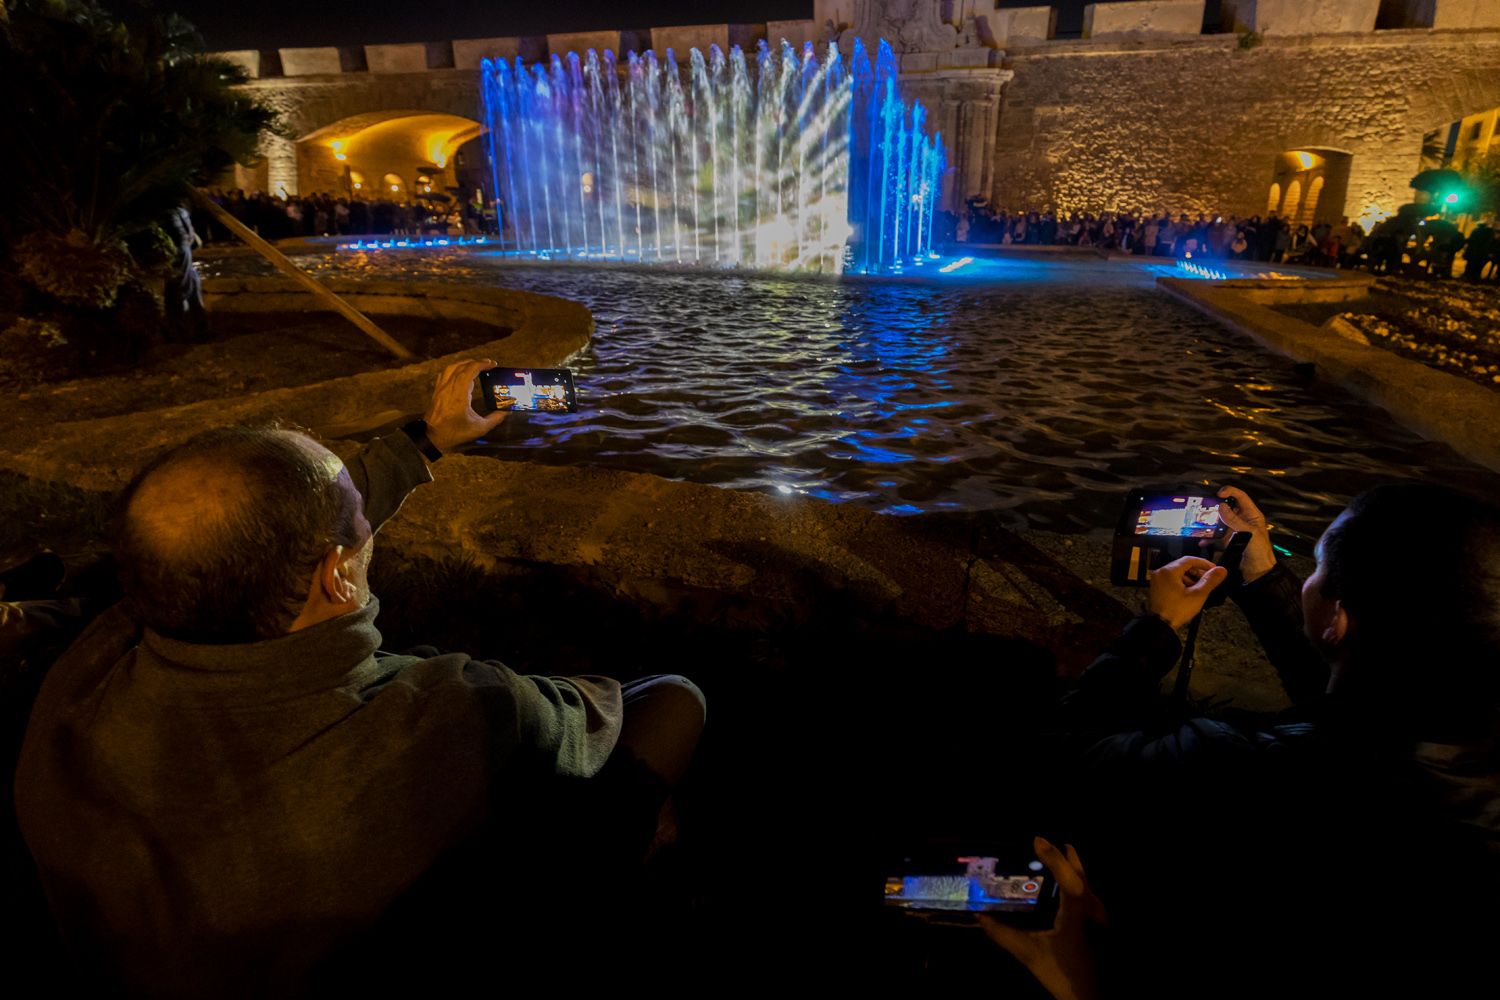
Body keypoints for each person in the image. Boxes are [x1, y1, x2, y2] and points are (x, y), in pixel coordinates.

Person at [14, 359, 706, 995]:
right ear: (337, 572)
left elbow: (275, 522)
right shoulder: (448, 713)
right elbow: (588, 714)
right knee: (673, 700)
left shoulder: (82, 669)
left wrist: (428, 439)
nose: (363, 519)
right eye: (355, 517)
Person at [1061, 483, 1500, 994]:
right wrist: (1261, 574)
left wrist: (1157, 627)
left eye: (1316, 569)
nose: (1310, 580)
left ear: (1338, 616)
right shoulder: (1452, 749)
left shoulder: (1242, 766)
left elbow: (1073, 754)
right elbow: (1350, 691)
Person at [163, 203, 206, 342]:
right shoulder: (175, 210)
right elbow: (182, 232)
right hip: (180, 250)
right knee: (182, 287)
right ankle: (186, 330)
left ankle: (193, 329)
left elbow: (183, 232)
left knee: (185, 287)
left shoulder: (175, 209)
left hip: (180, 250)